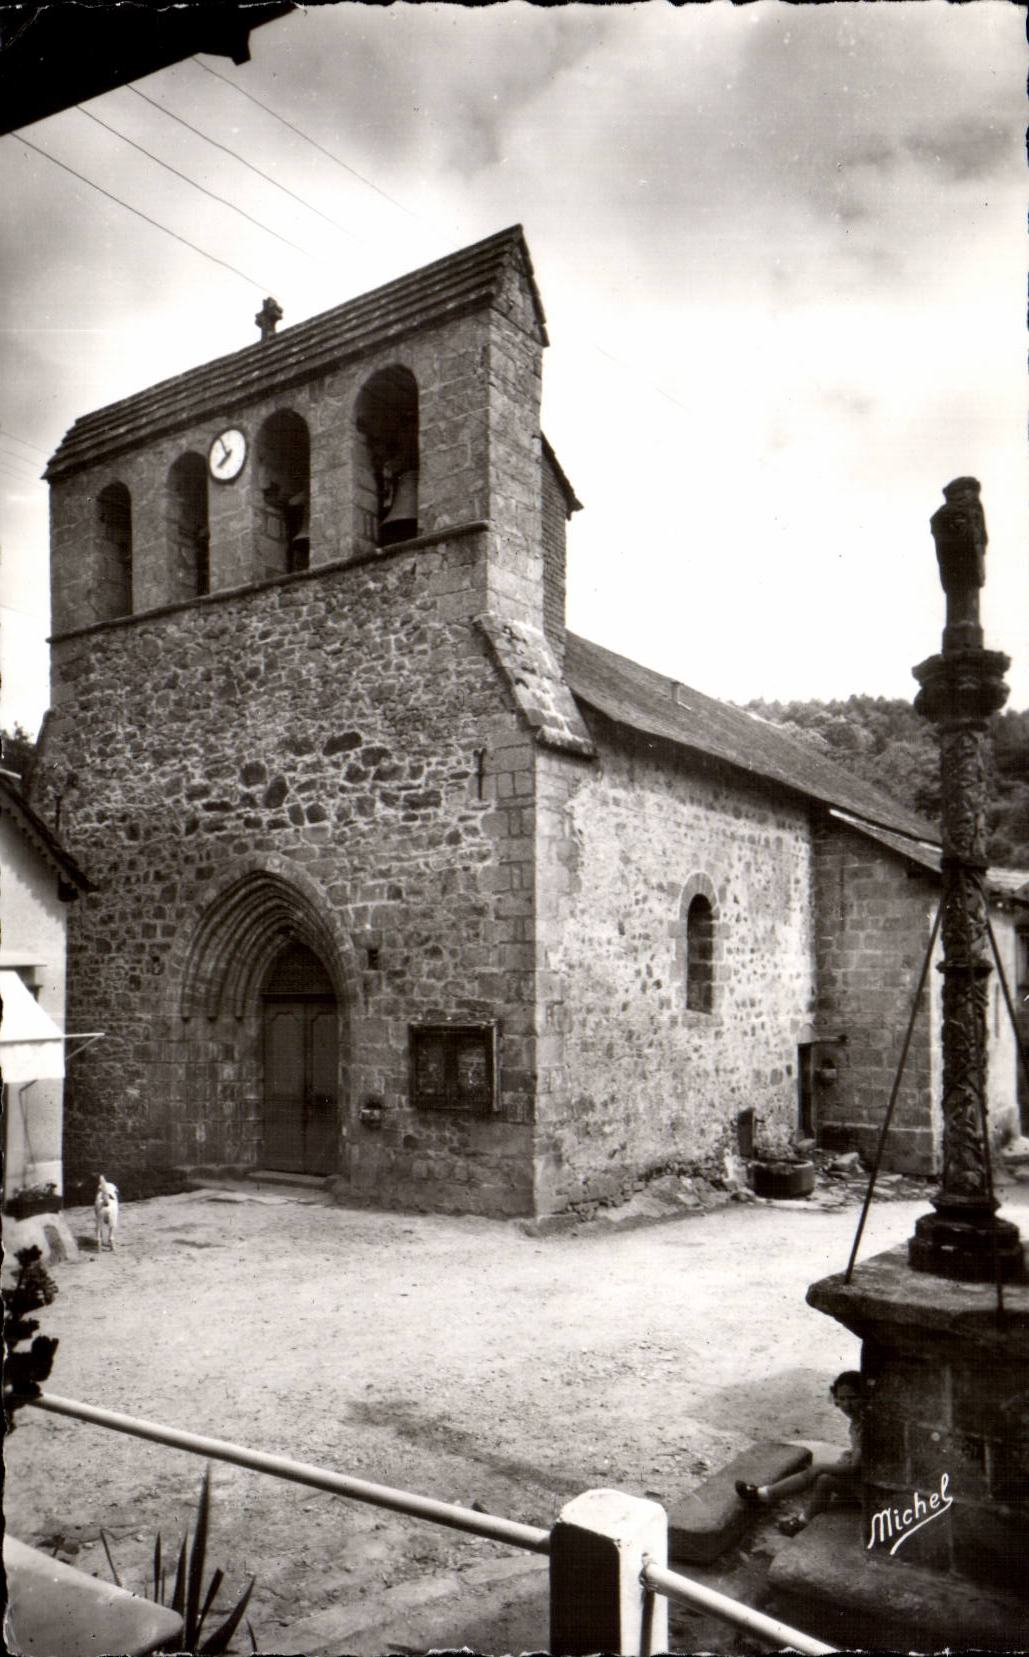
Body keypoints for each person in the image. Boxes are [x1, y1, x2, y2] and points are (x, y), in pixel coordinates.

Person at [735, 1371, 866, 1536]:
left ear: (865, 1397)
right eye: (842, 1399)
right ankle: (764, 1495)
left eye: (853, 1398)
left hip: (868, 1491)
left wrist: (822, 1467)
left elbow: (855, 1468)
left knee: (821, 1476)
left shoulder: (866, 1426)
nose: (847, 1404)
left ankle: (798, 1518)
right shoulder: (859, 1422)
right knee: (823, 1477)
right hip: (864, 1483)